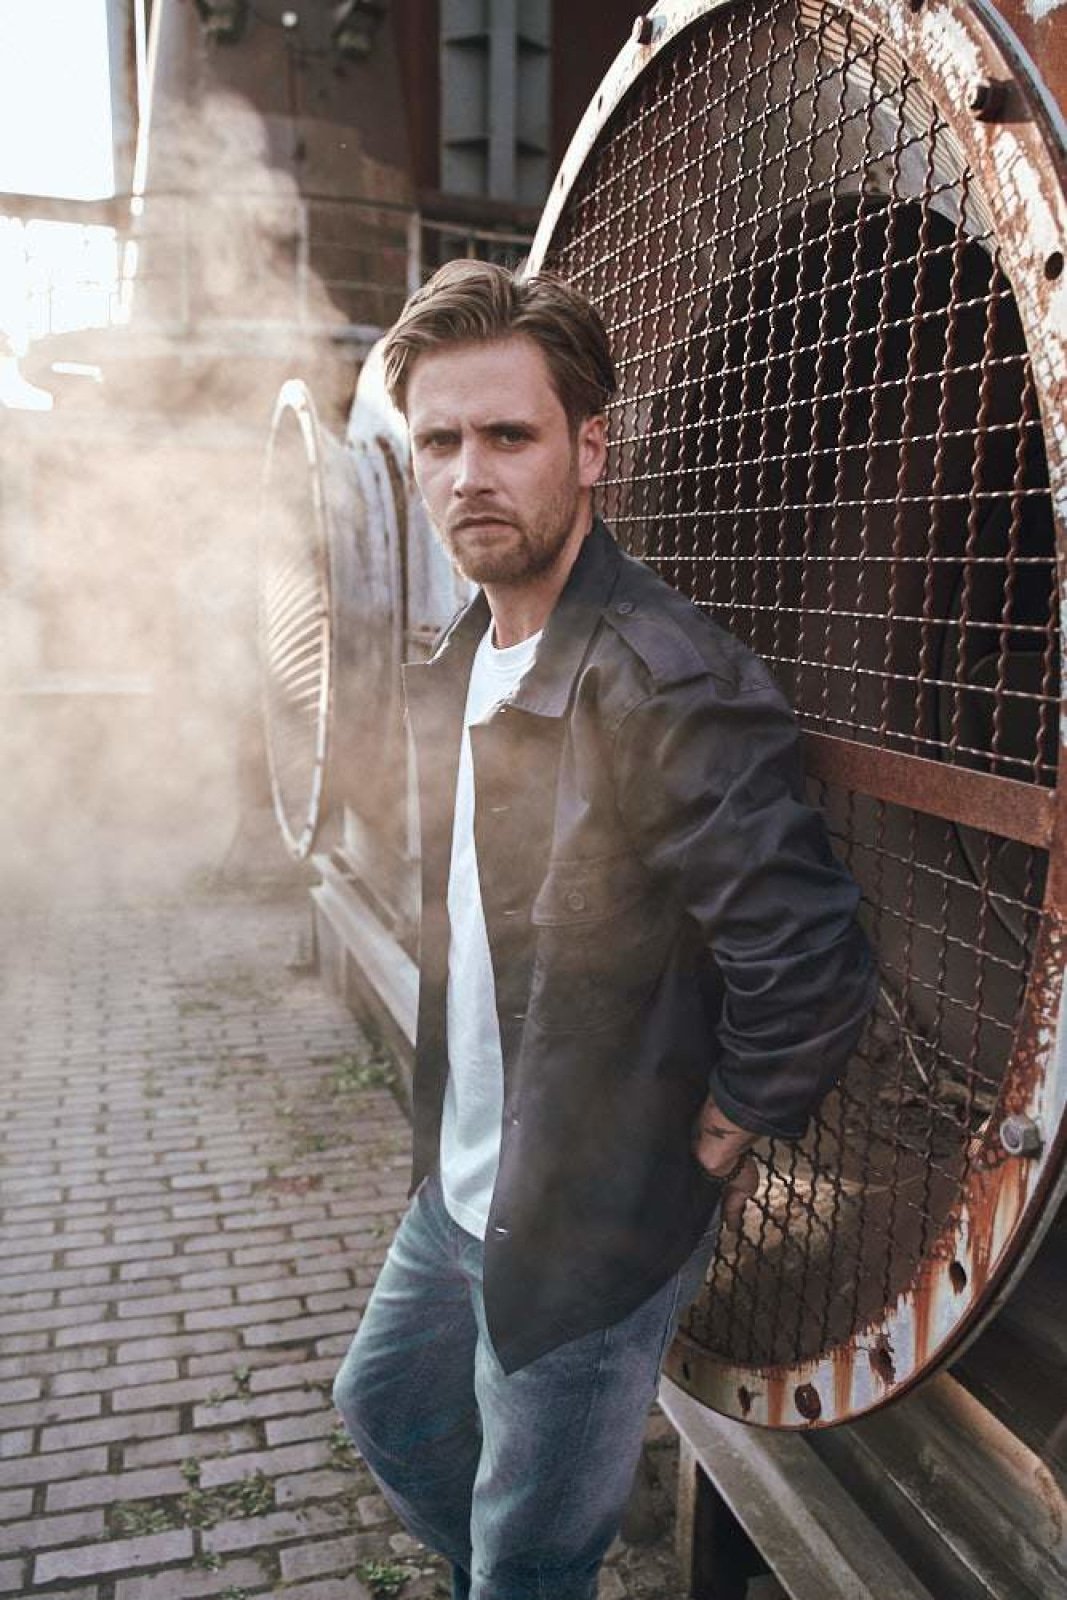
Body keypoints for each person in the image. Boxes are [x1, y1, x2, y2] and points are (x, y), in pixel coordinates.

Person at [333, 260, 876, 1600]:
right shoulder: (463, 661)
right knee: (387, 1410)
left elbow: (809, 958)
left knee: (528, 1562)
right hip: (468, 1183)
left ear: (589, 449)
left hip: (590, 1227)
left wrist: (718, 1134)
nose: (469, 475)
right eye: (440, 443)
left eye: (507, 436)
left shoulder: (663, 682)